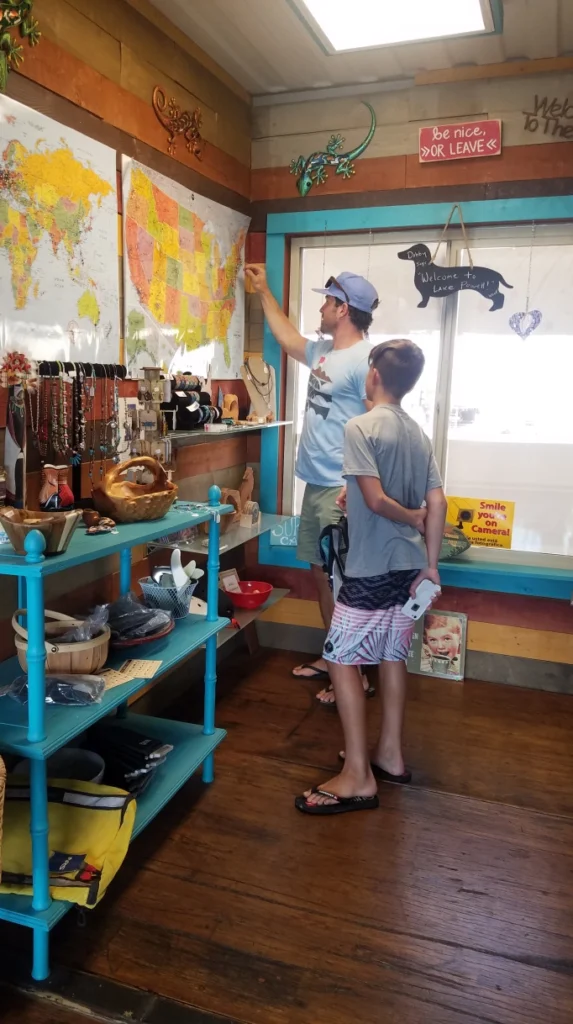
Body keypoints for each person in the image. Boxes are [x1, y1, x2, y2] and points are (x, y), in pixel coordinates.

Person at [245, 265, 426, 706]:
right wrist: (264, 291)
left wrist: (366, 486)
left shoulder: (364, 364)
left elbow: (378, 421)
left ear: (343, 309)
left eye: (326, 301)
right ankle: (335, 657)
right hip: (316, 485)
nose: (321, 308)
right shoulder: (325, 351)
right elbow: (288, 340)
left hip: (339, 491)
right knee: (322, 575)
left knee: (341, 583)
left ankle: (355, 672)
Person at [295, 339, 447, 816]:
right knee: (391, 655)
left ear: (375, 375)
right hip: (408, 567)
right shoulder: (418, 432)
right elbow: (437, 502)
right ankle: (389, 755)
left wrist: (410, 516)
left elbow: (380, 501)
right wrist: (431, 561)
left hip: (368, 565)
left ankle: (358, 774)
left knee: (341, 657)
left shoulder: (359, 426)